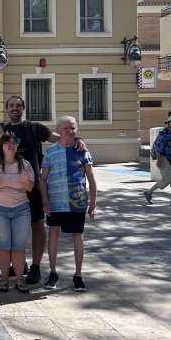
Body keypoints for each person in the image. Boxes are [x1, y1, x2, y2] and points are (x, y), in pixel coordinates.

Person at [0, 95, 86, 285]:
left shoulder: (34, 128)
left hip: (31, 185)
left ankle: (36, 267)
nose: (14, 108)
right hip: (6, 188)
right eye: (11, 105)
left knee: (37, 226)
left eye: (18, 105)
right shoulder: (0, 127)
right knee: (10, 228)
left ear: (23, 108)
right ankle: (14, 265)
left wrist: (77, 139)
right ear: (7, 108)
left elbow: (60, 138)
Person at [40, 116, 97, 292]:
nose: (69, 131)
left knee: (77, 236)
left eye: (72, 128)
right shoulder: (50, 152)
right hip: (55, 202)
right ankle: (53, 273)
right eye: (65, 128)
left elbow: (91, 178)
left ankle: (78, 275)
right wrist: (45, 201)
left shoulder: (82, 151)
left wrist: (93, 203)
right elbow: (43, 179)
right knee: (53, 235)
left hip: (76, 201)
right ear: (58, 130)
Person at [0, 134, 35, 293]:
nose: (11, 145)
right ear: (1, 146)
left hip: (21, 209)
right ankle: (4, 279)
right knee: (4, 246)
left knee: (19, 247)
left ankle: (20, 279)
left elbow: (30, 188)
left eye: (14, 142)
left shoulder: (25, 164)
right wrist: (1, 179)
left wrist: (23, 181)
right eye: (7, 143)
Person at [145, 116, 171, 207]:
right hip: (164, 158)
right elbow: (159, 149)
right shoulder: (163, 134)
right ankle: (149, 192)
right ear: (168, 123)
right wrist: (159, 161)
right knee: (166, 179)